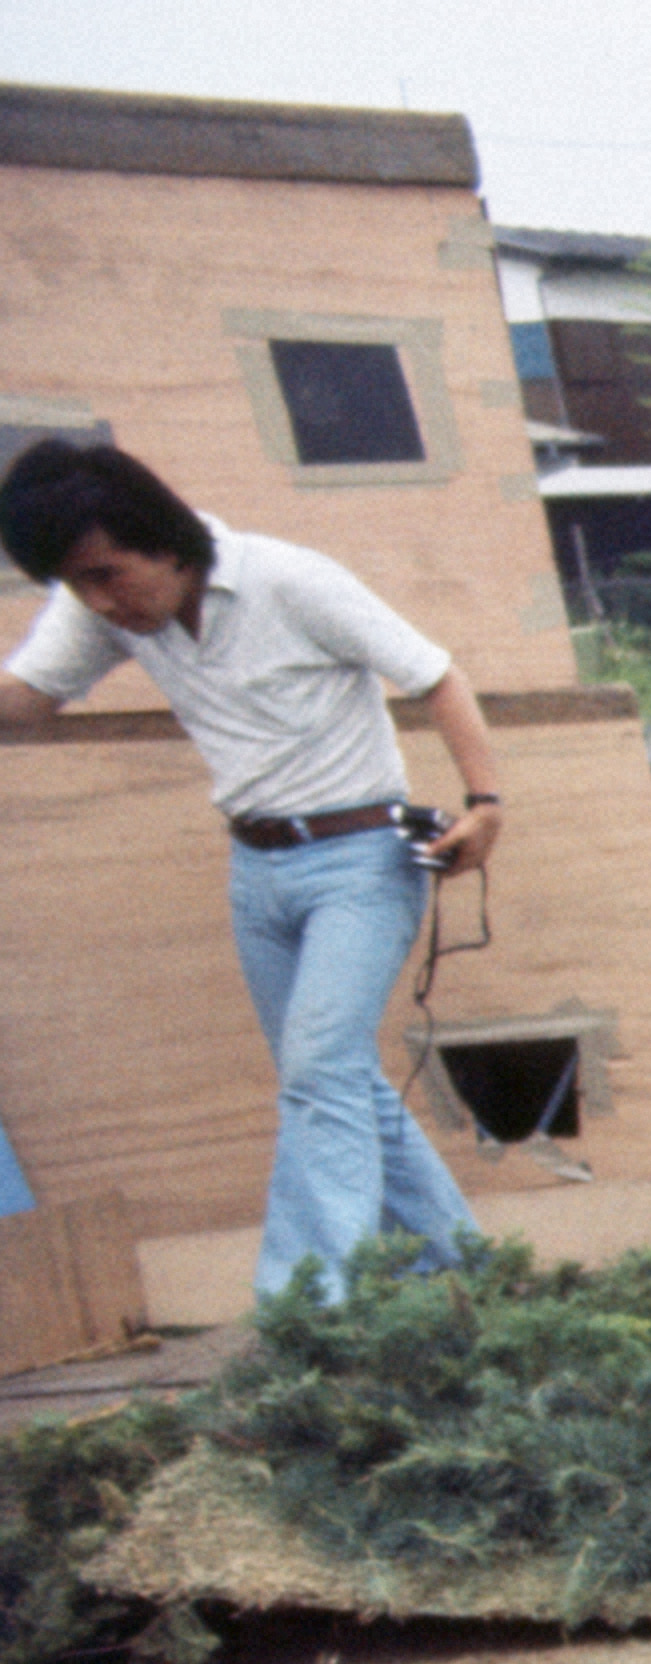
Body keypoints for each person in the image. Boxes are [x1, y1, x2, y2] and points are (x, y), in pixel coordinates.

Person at [0, 439, 493, 1298]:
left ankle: (307, 1308)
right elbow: (25, 704)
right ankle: (472, 1270)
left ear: (164, 538)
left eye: (108, 574)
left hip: (362, 862)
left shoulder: (290, 581)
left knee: (318, 1071)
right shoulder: (106, 610)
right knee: (337, 1077)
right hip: (257, 873)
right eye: (77, 585)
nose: (100, 600)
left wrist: (486, 804)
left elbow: (437, 676)